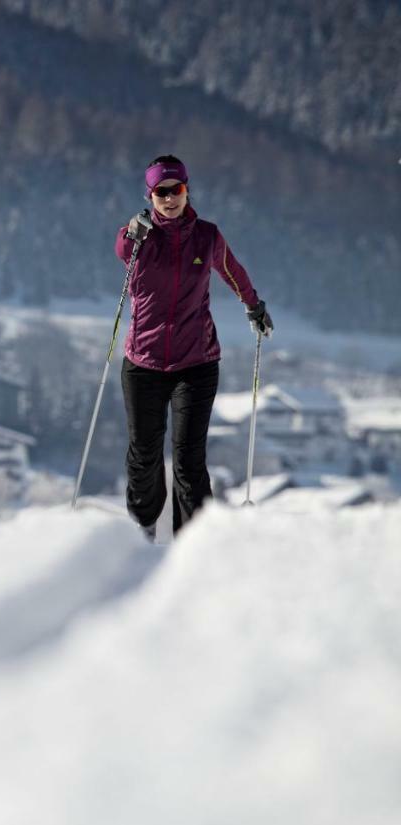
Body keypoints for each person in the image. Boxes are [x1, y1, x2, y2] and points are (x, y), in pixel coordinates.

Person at [116, 154, 274, 540]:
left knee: (189, 460)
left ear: (187, 189)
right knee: (144, 455)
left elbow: (232, 271)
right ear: (150, 195)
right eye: (161, 192)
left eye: (177, 189)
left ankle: (193, 546)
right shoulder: (138, 240)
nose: (170, 198)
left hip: (196, 362)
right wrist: (132, 232)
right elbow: (122, 247)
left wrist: (252, 304)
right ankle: (143, 531)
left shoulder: (207, 236)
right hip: (144, 362)